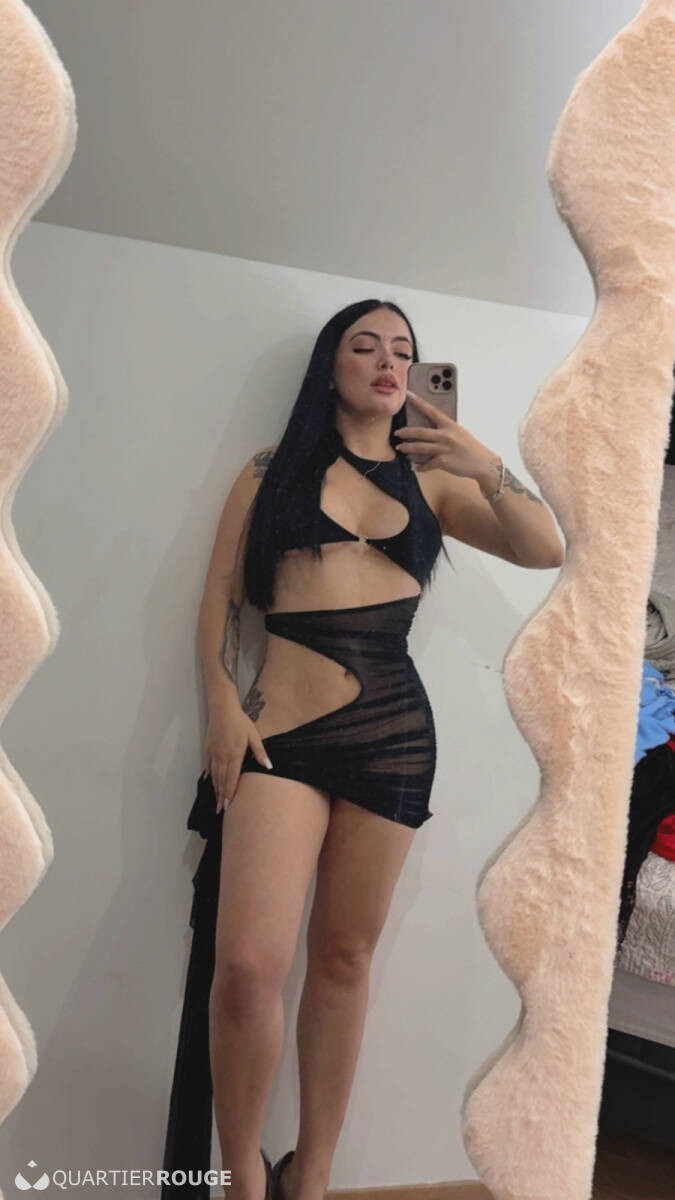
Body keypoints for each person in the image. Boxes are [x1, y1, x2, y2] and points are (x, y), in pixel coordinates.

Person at [196, 298, 564, 1200]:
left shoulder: (431, 481)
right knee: (247, 968)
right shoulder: (269, 472)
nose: (388, 361)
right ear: (330, 366)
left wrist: (477, 459)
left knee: (344, 959)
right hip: (280, 735)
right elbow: (221, 598)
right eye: (365, 346)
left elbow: (544, 547)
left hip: (394, 737)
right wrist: (220, 702)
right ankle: (242, 1174)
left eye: (403, 350)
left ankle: (312, 1174)